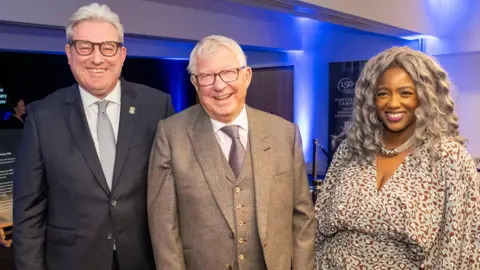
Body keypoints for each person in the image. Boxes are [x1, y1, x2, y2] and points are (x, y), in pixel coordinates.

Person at [13, 3, 175, 270]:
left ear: (122, 54)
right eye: (85, 46)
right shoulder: (42, 116)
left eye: (107, 47)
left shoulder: (157, 106)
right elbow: (28, 214)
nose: (97, 58)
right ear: (69, 53)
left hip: (143, 259)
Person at [147, 35, 315, 270]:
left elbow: (302, 219)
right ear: (195, 83)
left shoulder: (284, 133)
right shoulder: (171, 135)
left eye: (228, 72)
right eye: (206, 76)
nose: (219, 85)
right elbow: (163, 228)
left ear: (246, 76)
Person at [315, 46, 480, 269]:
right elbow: (318, 226)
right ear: (371, 99)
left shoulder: (448, 158)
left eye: (405, 93)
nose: (393, 103)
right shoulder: (350, 150)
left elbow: (460, 246)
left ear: (424, 97)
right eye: (383, 93)